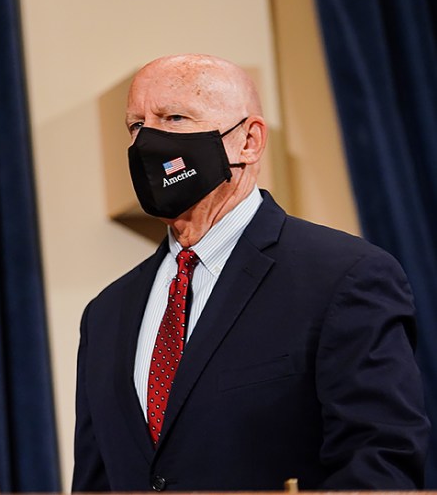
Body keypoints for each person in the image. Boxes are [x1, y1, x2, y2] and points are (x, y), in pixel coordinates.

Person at [72, 54, 430, 491]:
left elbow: (379, 465)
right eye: (136, 126)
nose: (148, 141)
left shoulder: (344, 277)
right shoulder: (106, 313)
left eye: (174, 118)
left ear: (249, 141)